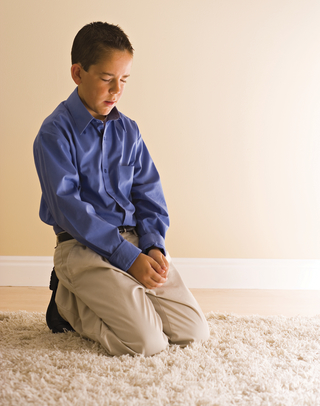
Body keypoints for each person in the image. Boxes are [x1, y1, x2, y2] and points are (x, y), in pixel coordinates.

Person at [33, 21, 209, 357]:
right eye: (106, 79)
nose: (116, 90)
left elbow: (148, 194)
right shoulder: (54, 134)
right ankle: (66, 303)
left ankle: (121, 294)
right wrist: (129, 261)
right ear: (77, 73)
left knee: (194, 332)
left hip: (134, 242)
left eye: (124, 80)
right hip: (82, 248)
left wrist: (153, 247)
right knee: (147, 343)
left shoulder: (129, 131)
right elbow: (71, 211)